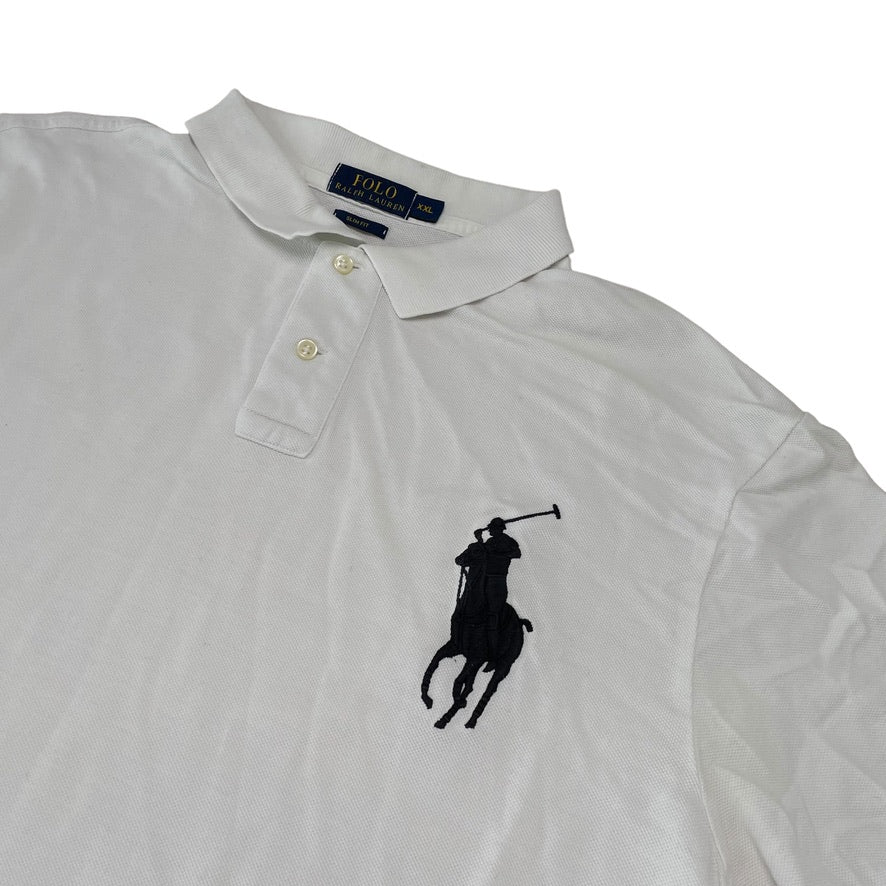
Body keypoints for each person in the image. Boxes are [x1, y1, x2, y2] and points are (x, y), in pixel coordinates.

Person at [453, 517, 521, 662]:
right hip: (485, 581)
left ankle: (494, 655)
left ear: (497, 529)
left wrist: (498, 554)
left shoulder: (507, 542)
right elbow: (481, 551)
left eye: (491, 528)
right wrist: (479, 540)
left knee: (492, 617)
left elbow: (516, 553)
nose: (489, 531)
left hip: (497, 583)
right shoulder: (490, 542)